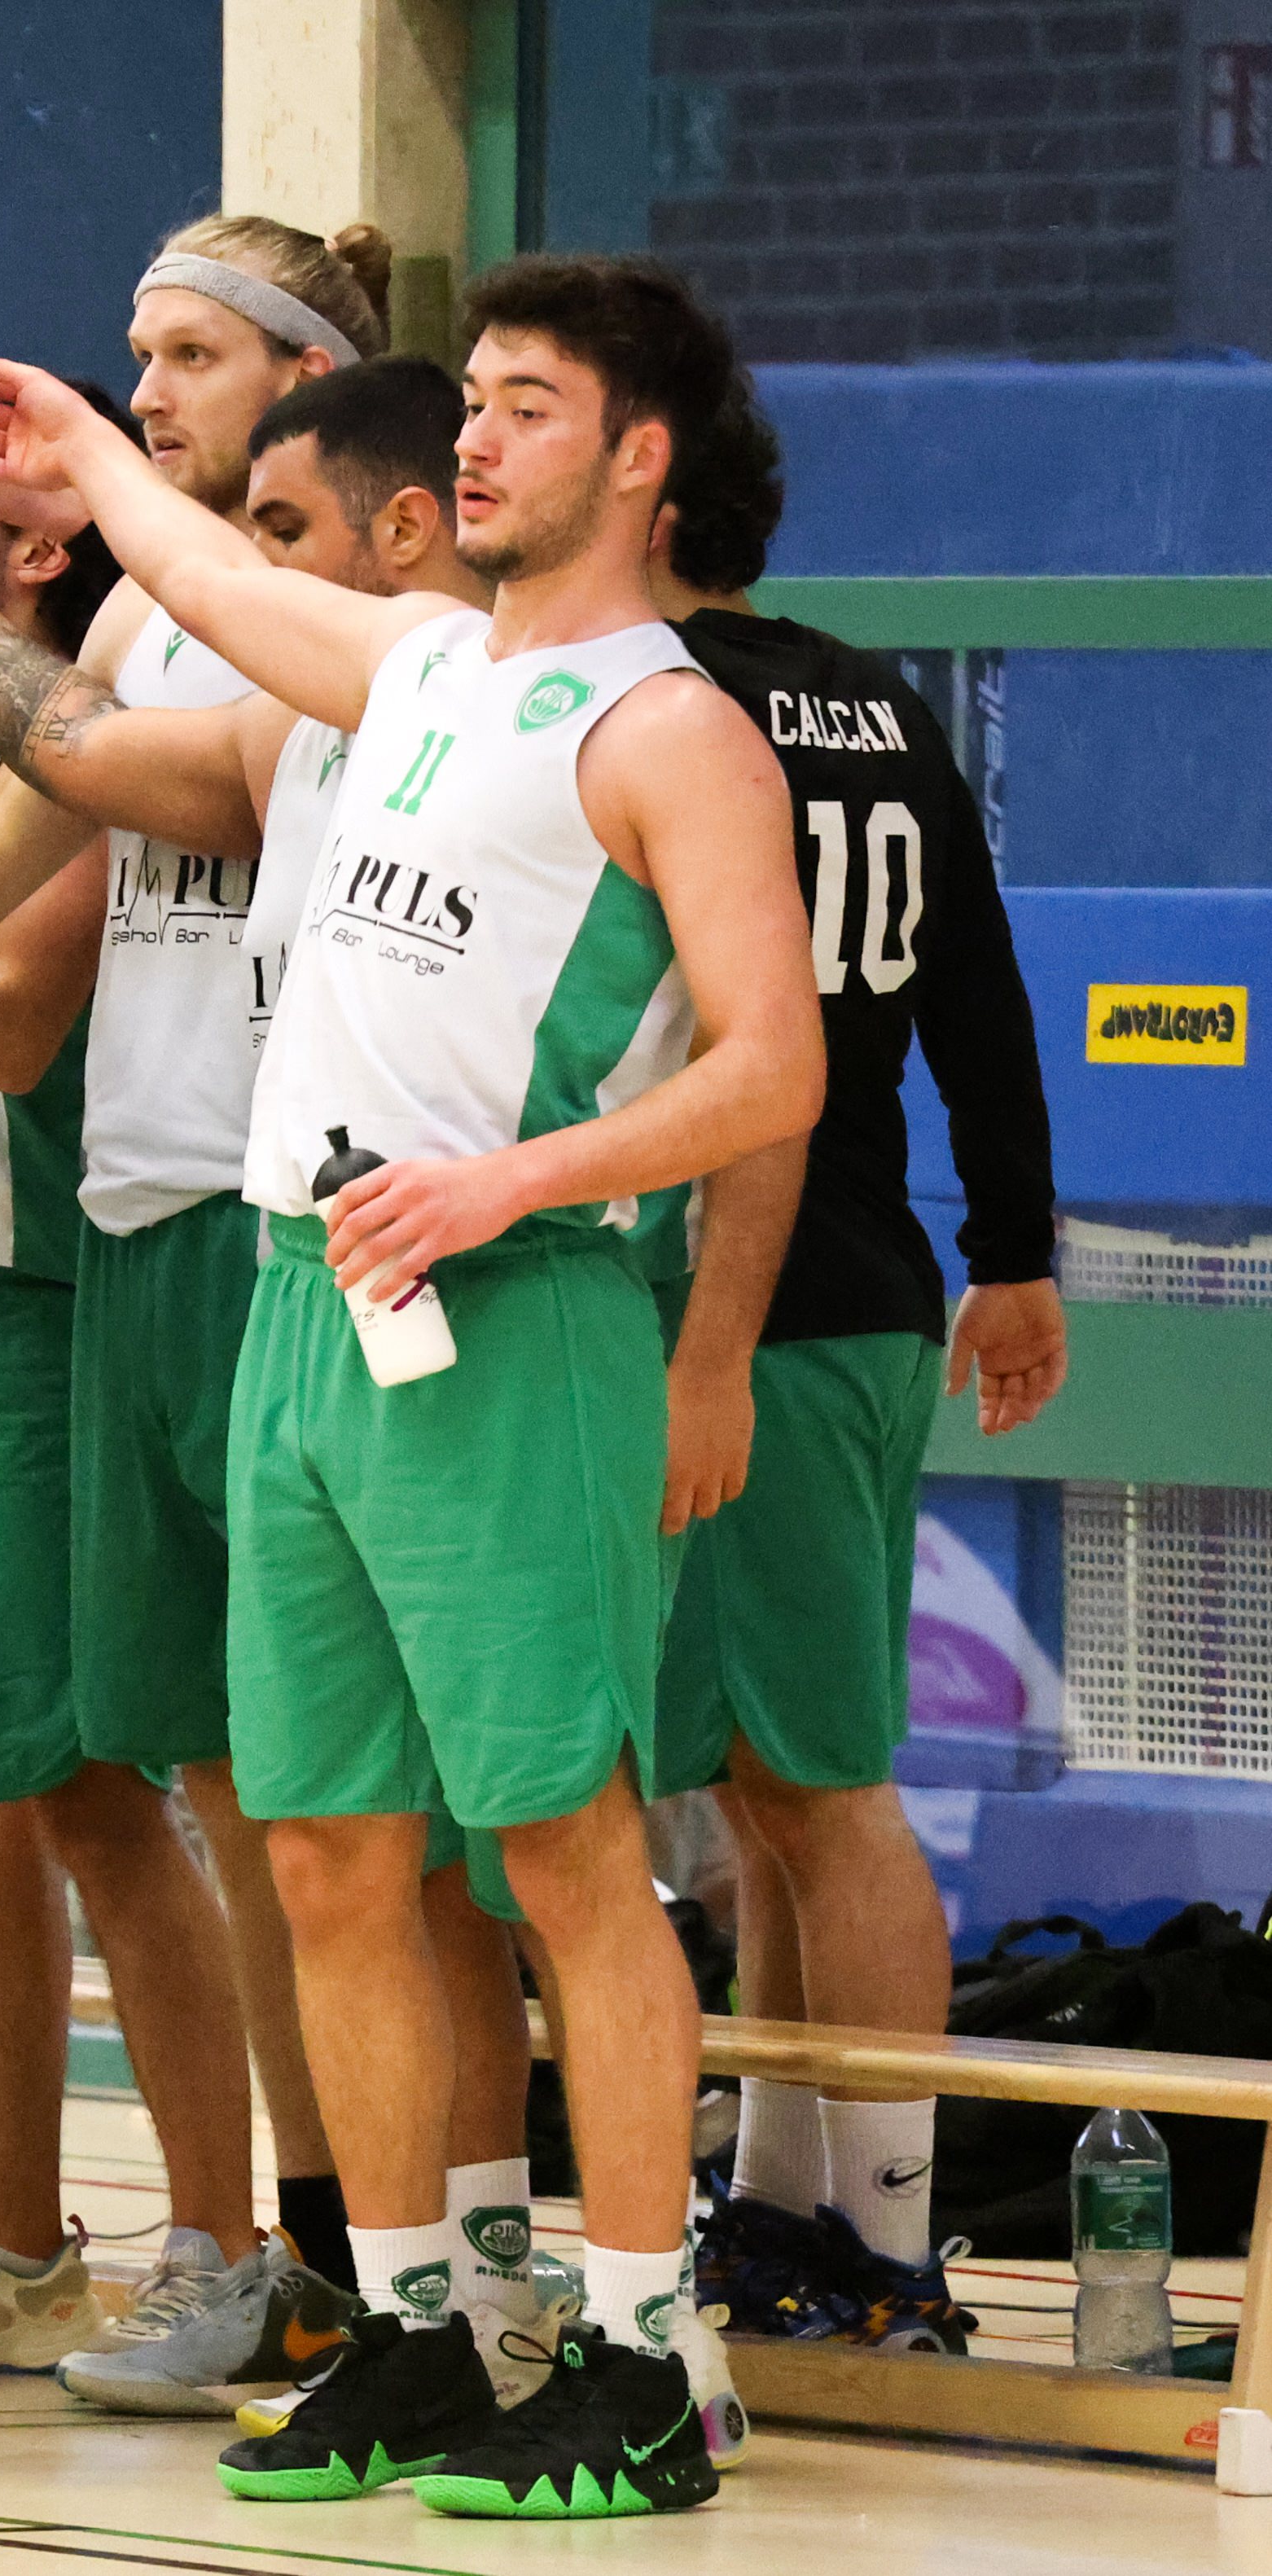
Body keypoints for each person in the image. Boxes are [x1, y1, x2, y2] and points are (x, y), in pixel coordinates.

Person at [0, 248, 823, 2520]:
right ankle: (418, 2323)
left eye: (528, 404)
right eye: (476, 398)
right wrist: (77, 450)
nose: (479, 435)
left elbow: (772, 1063)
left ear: (636, 457)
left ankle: (638, 2355)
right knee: (327, 1843)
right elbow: (205, 589)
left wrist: (516, 1174)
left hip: (510, 1309)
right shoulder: (423, 662)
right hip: (293, 1296)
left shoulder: (670, 730)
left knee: (558, 1849)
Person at [0, 220, 401, 2364]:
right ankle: (289, 2242)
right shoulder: (141, 606)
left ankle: (398, 2245)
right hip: (132, 1217)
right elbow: (8, 905)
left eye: (190, 355)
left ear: (305, 381)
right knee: (220, 1788)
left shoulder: (353, 627)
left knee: (342, 1807)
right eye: (132, 355)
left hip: (280, 1223)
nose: (143, 393)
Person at [644, 378, 1067, 2349]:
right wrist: (1012, 1251)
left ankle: (892, 2251)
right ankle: (784, 2207)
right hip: (864, 1282)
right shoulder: (875, 703)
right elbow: (983, 989)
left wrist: (1013, 1254)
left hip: (774, 1302)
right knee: (769, 1787)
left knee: (823, 1789)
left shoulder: (655, 706)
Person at [0, 398, 252, 2381]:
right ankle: (17, 2238)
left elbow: (16, 1022)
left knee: (103, 1790)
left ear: (39, 552)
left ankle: (222, 2231)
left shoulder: (74, 739)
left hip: (42, 1290)